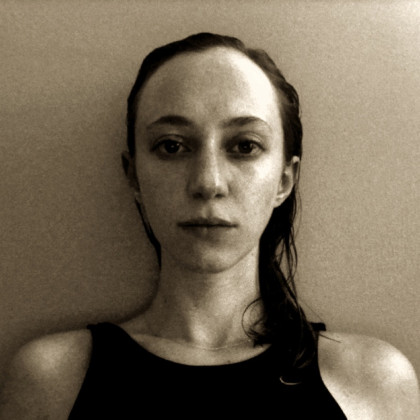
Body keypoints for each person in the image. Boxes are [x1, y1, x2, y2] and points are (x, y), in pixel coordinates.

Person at [0, 32, 419, 419]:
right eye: (172, 146)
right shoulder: (53, 381)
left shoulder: (372, 383)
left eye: (244, 146)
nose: (208, 182)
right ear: (134, 176)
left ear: (284, 180)